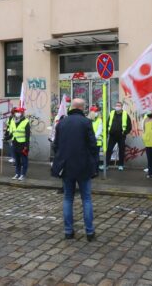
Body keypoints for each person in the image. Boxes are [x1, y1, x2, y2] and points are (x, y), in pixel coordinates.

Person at [51, 98, 96, 241]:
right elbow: (93, 145)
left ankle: (68, 231)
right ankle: (89, 233)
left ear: (72, 107)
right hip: (83, 166)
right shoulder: (86, 122)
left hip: (66, 166)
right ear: (82, 108)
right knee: (87, 199)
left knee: (68, 198)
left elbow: (55, 145)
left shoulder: (62, 122)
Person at [105, 102, 132, 171]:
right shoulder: (112, 113)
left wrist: (125, 133)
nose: (117, 107)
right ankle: (106, 165)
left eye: (119, 106)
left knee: (121, 150)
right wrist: (107, 132)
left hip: (121, 136)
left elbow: (129, 126)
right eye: (116, 105)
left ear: (121, 107)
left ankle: (120, 165)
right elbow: (108, 123)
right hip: (112, 135)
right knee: (109, 150)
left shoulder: (125, 114)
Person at [9, 107, 30, 181]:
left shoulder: (26, 121)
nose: (16, 113)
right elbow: (12, 133)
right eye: (16, 112)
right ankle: (17, 173)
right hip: (15, 143)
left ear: (22, 113)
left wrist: (26, 146)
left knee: (24, 160)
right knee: (17, 160)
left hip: (23, 144)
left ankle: (23, 174)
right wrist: (6, 138)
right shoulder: (12, 120)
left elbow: (27, 136)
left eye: (18, 112)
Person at [89, 106, 102, 176]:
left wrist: (92, 138)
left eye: (97, 111)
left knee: (95, 157)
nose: (96, 113)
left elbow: (99, 131)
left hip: (97, 142)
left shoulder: (99, 120)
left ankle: (95, 171)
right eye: (95, 111)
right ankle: (91, 171)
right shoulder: (88, 120)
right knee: (91, 157)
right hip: (90, 142)